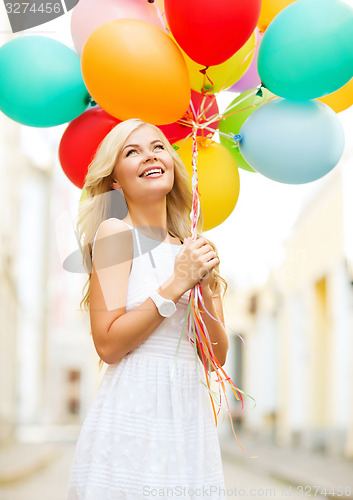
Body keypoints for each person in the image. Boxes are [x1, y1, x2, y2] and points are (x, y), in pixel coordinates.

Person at [66, 118, 229, 499]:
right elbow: (107, 345)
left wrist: (202, 287)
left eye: (157, 146)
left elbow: (216, 358)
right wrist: (175, 284)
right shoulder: (115, 235)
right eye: (131, 151)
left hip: (187, 416)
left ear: (171, 160)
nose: (150, 156)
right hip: (134, 410)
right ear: (115, 181)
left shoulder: (195, 246)